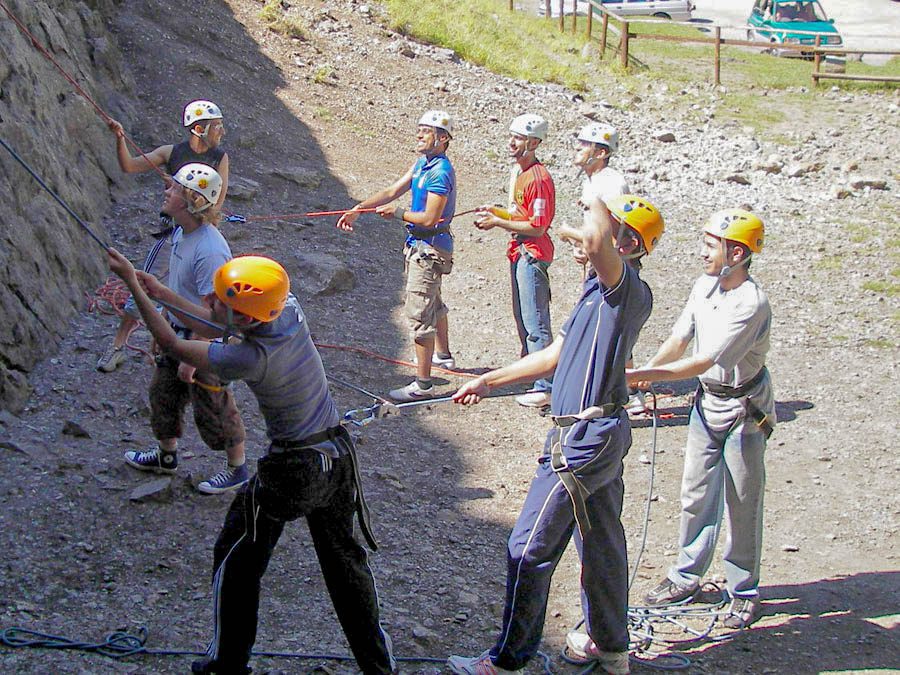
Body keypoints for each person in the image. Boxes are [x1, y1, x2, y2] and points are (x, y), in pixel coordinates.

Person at [106, 251, 396, 675]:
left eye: (218, 298)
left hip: (293, 469)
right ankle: (378, 666)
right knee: (345, 566)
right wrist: (165, 294)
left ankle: (227, 664)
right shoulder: (288, 311)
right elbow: (223, 323)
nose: (210, 300)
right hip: (336, 456)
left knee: (236, 561)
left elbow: (173, 344)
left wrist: (133, 283)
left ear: (244, 317)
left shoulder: (247, 359)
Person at [448, 195, 665, 675]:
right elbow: (555, 354)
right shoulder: (595, 290)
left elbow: (593, 237)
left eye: (611, 232)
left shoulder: (625, 289)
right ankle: (612, 651)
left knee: (527, 548)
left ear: (627, 243)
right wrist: (491, 380)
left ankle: (508, 660)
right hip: (596, 432)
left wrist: (596, 195)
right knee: (603, 545)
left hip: (585, 439)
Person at [628, 209, 773, 630]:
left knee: (742, 500)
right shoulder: (704, 286)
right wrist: (645, 372)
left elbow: (704, 360)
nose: (703, 252)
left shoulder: (751, 303)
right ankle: (687, 575)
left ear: (738, 252)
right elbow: (680, 338)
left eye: (712, 245)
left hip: (744, 409)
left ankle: (742, 589)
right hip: (708, 402)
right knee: (695, 493)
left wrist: (641, 375)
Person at [122, 163, 248, 495]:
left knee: (214, 403)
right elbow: (177, 285)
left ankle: (237, 467)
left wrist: (194, 353)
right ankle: (166, 455)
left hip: (202, 341)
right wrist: (161, 325)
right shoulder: (181, 231)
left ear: (191, 200)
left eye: (175, 189)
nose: (167, 191)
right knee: (162, 395)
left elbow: (215, 313)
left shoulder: (211, 250)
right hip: (175, 330)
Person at [97, 99, 229, 373]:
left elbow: (217, 202)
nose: (221, 132)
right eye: (217, 126)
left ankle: (184, 347)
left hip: (197, 228)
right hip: (174, 231)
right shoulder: (172, 153)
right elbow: (129, 166)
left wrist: (189, 197)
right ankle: (119, 344)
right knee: (147, 283)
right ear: (198, 129)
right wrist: (120, 138)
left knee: (189, 290)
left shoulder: (219, 158)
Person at [336, 110, 456, 402]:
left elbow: (429, 217)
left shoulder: (440, 172)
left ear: (442, 139)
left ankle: (423, 384)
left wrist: (399, 213)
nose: (419, 135)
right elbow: (393, 190)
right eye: (420, 129)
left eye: (426, 131)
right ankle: (443, 356)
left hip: (429, 249)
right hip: (423, 246)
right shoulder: (422, 165)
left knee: (419, 312)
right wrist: (358, 208)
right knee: (433, 303)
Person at [558, 123, 647, 417]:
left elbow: (611, 231)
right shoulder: (593, 180)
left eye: (585, 144)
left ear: (601, 152)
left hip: (612, 265)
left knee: (613, 324)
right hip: (598, 262)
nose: (578, 148)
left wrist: (570, 233)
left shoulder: (611, 183)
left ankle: (630, 391)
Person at [473, 113, 556, 409]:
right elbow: (521, 215)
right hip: (520, 251)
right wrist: (497, 212)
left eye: (519, 138)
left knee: (535, 321)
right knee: (522, 317)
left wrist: (497, 222)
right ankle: (532, 370)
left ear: (534, 143)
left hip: (531, 253)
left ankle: (545, 384)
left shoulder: (538, 178)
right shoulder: (520, 173)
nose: (512, 142)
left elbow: (538, 225)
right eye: (512, 136)